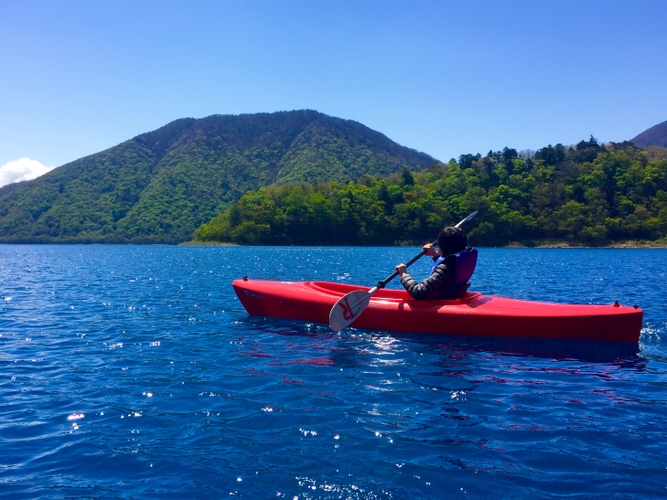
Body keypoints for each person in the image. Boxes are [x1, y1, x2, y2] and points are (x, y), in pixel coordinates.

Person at [394, 226, 475, 300]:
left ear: (439, 246)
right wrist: (435, 254)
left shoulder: (445, 268)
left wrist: (404, 275)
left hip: (441, 305)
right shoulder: (455, 264)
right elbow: (448, 270)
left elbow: (419, 293)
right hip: (450, 299)